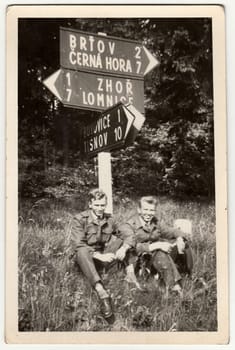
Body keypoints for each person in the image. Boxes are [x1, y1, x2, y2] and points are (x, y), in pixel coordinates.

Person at [70, 188, 133, 319]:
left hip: (103, 256)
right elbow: (79, 244)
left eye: (103, 205)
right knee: (82, 250)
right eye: (97, 205)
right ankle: (101, 291)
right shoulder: (80, 219)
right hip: (86, 258)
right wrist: (99, 256)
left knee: (124, 241)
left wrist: (123, 248)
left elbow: (128, 234)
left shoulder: (110, 219)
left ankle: (130, 274)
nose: (100, 208)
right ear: (90, 204)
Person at [118, 196, 193, 296]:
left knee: (184, 244)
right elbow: (132, 246)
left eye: (151, 210)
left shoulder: (155, 223)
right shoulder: (129, 225)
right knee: (160, 251)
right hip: (138, 261)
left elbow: (170, 231)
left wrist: (179, 237)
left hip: (155, 258)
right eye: (145, 209)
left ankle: (189, 275)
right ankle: (173, 286)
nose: (148, 213)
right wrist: (156, 245)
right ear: (139, 210)